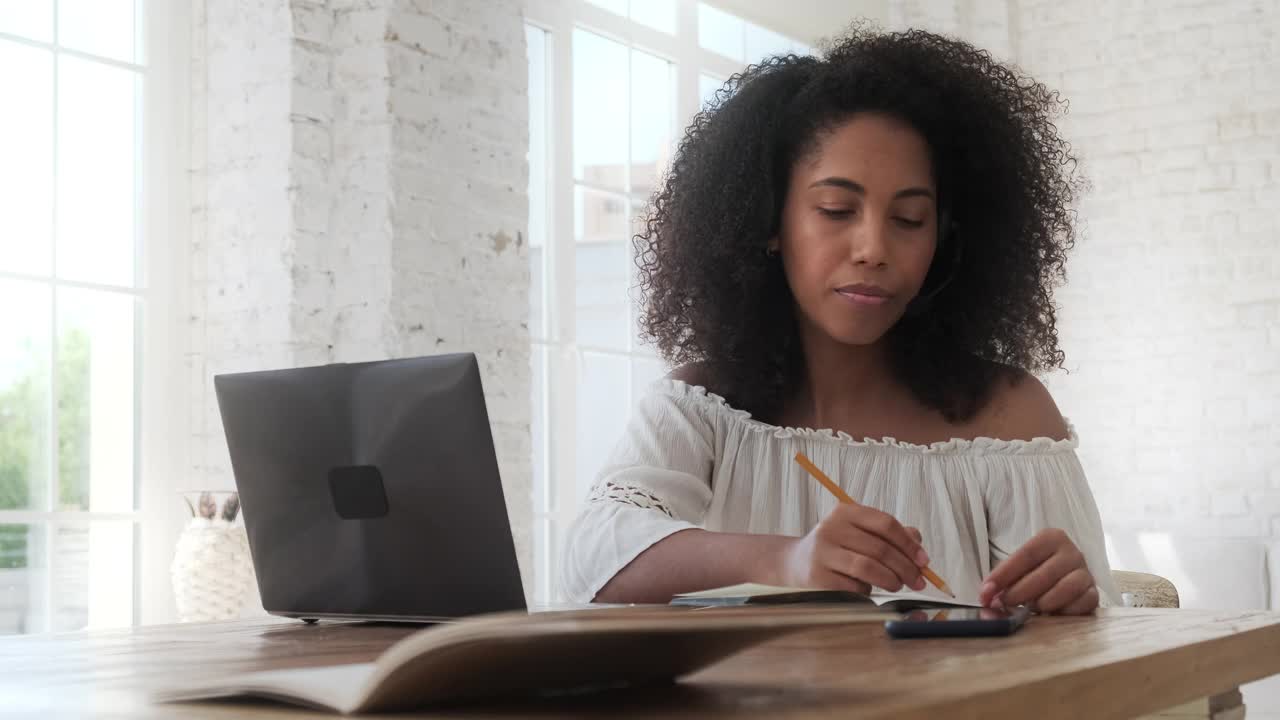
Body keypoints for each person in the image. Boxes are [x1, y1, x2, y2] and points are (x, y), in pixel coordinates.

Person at [560, 25, 1121, 615]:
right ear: (770, 222)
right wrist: (785, 561)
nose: (873, 248)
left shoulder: (1010, 421)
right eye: (836, 209)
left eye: (908, 219)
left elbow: (1100, 652)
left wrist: (1074, 601)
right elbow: (592, 555)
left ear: (945, 239)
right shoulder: (704, 408)